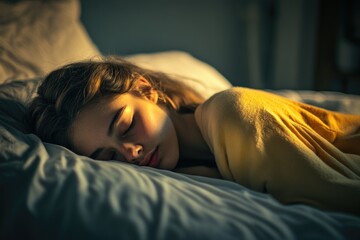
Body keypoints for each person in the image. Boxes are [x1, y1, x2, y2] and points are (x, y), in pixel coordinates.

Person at [26, 57, 360, 215]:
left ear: (146, 91)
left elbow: (334, 198)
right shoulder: (185, 172)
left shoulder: (231, 113)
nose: (130, 153)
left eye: (126, 125)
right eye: (108, 156)